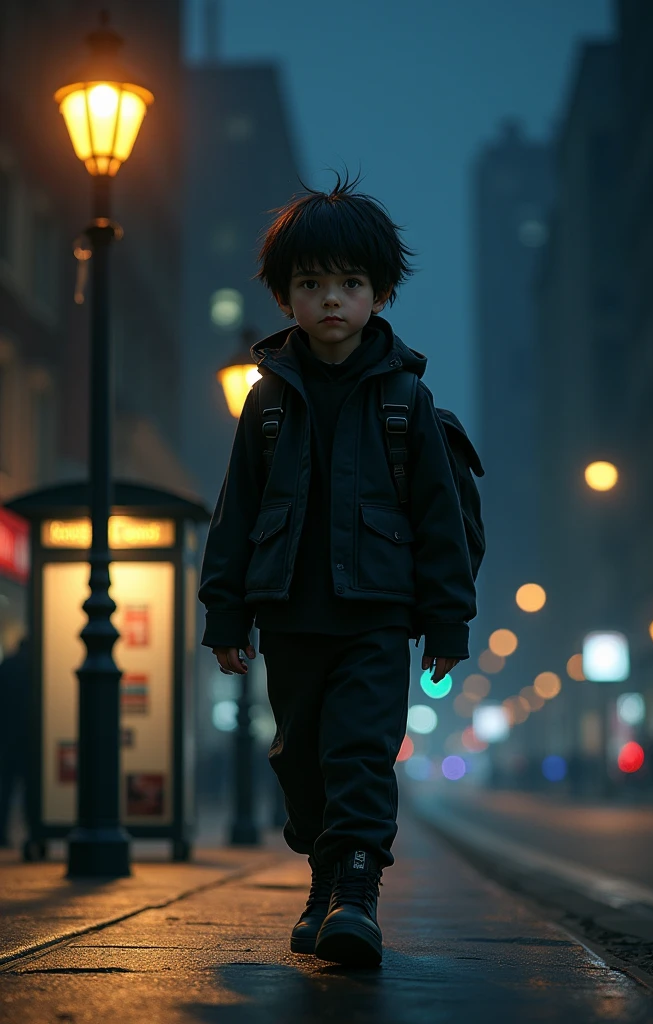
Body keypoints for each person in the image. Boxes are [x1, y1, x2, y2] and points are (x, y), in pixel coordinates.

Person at [199, 173, 478, 967]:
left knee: (359, 751)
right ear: (285, 297)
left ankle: (355, 894)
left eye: (349, 284)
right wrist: (225, 614)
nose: (331, 300)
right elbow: (237, 514)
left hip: (377, 616)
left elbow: (439, 521)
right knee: (300, 759)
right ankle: (324, 883)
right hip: (289, 615)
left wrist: (447, 622)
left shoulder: (404, 399)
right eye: (312, 284)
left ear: (380, 295)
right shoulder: (267, 401)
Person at [0, 636, 30, 847]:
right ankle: (33, 831)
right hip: (29, 736)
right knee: (31, 787)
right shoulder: (35, 667)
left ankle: (1, 833)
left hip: (6, 735)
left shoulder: (7, 666)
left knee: (5, 787)